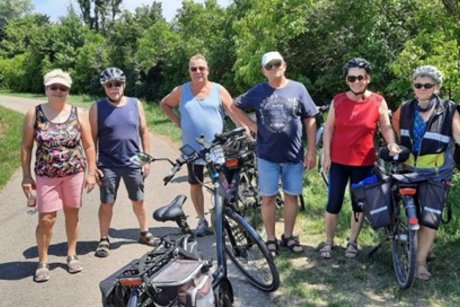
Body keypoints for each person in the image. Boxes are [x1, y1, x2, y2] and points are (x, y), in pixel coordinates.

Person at [230, 51, 318, 256]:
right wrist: (251, 125)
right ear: (263, 71)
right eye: (269, 66)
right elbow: (234, 105)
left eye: (277, 64)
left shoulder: (298, 89)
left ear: (284, 65)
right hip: (267, 156)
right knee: (268, 198)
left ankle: (288, 235)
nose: (273, 68)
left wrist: (312, 150)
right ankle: (270, 239)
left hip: (294, 155)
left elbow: (311, 118)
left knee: (291, 197)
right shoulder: (259, 91)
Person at [21, 69, 98, 282]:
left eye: (62, 88)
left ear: (68, 90)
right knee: (47, 218)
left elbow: (89, 145)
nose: (58, 91)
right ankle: (43, 261)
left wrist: (91, 173)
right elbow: (26, 147)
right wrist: (26, 177)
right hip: (46, 175)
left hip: (74, 173)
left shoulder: (78, 113)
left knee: (73, 213)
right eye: (53, 87)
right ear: (46, 89)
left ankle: (71, 254)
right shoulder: (34, 113)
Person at [320, 58, 399, 259]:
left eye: (360, 77)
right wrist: (326, 154)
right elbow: (329, 129)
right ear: (346, 80)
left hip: (364, 162)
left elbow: (386, 126)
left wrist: (391, 143)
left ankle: (352, 242)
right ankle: (328, 242)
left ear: (368, 78)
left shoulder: (378, 101)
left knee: (359, 205)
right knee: (333, 203)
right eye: (352, 78)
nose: (356, 81)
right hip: (338, 161)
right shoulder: (338, 100)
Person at [392, 65, 460, 280]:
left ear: (436, 87)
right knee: (415, 215)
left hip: (437, 172)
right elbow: (394, 135)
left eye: (427, 85)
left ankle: (419, 263)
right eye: (418, 84)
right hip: (409, 170)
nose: (422, 88)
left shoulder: (449, 110)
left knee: (430, 217)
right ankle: (419, 246)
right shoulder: (404, 108)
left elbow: (458, 136)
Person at [160, 54, 238, 237]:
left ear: (208, 70)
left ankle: (220, 215)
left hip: (217, 148)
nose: (198, 72)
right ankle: (201, 220)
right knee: (196, 184)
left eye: (201, 68)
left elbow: (234, 112)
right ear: (189, 71)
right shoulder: (182, 91)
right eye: (194, 69)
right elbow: (164, 104)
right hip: (193, 150)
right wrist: (179, 122)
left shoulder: (218, 90)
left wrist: (246, 130)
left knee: (222, 183)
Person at [89, 67, 154, 257]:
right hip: (108, 164)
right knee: (107, 203)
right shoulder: (97, 107)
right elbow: (91, 140)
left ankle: (144, 233)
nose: (114, 88)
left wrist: (146, 160)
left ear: (123, 85)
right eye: (109, 85)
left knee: (138, 200)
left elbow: (144, 131)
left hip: (134, 161)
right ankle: (103, 239)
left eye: (117, 84)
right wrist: (92, 167)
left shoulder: (135, 104)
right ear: (104, 87)